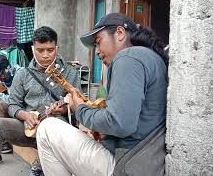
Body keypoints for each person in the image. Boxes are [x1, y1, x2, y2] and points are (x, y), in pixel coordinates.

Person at [36, 13, 168, 176]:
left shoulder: (128, 57)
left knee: (47, 129)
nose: (97, 52)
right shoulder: (150, 58)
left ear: (120, 33)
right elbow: (133, 121)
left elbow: (120, 123)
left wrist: (81, 109)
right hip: (143, 163)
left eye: (98, 42)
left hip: (126, 167)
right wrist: (102, 133)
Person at [0, 26, 81, 176]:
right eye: (40, 50)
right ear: (33, 49)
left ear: (56, 48)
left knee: (52, 126)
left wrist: (65, 109)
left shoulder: (70, 73)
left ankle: (41, 166)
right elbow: (13, 104)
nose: (45, 55)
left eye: (50, 50)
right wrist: (25, 116)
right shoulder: (23, 74)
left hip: (58, 131)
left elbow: (78, 105)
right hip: (28, 128)